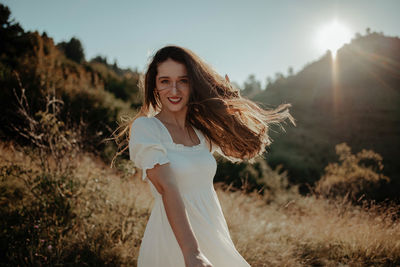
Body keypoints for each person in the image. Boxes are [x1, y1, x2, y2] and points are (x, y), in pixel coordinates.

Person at [113, 45, 296, 267]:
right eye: (165, 81)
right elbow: (167, 187)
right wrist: (192, 252)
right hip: (176, 243)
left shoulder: (201, 132)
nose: (174, 90)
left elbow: (246, 149)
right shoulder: (147, 128)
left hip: (213, 233)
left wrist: (228, 99)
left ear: (194, 84)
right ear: (154, 86)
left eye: (183, 80)